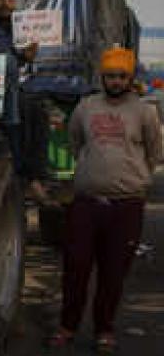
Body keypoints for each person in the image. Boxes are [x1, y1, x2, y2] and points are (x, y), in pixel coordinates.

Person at [49, 47, 161, 353]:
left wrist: (133, 177)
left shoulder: (144, 112)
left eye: (121, 76)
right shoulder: (86, 107)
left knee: (113, 273)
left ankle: (104, 330)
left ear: (130, 77)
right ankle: (67, 326)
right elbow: (76, 142)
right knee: (76, 267)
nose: (115, 81)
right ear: (102, 77)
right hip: (86, 203)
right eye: (110, 76)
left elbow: (154, 153)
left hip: (127, 206)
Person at [0, 0, 50, 202]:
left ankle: (34, 177)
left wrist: (26, 55)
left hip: (9, 84)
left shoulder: (19, 23)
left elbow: (16, 58)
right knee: (17, 109)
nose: (5, 3)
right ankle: (24, 173)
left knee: (36, 111)